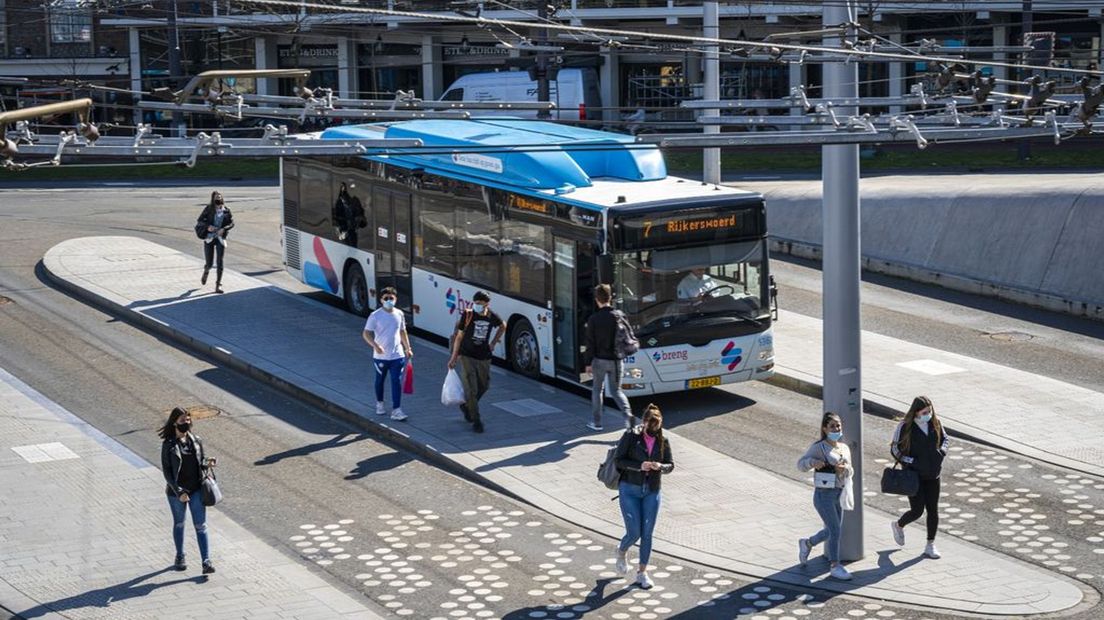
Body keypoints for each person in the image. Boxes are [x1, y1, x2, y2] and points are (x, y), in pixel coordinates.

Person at [613, 404, 673, 590]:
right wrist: (640, 466)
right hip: (629, 489)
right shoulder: (631, 436)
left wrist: (660, 467)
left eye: (657, 427)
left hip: (652, 490)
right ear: (644, 422)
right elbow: (618, 460)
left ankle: (642, 573)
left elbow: (670, 464)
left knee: (647, 533)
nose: (654, 431)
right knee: (634, 532)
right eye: (651, 427)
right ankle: (622, 551)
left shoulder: (663, 440)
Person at [796, 412, 855, 581]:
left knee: (831, 530)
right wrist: (812, 463)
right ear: (824, 428)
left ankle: (807, 543)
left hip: (839, 493)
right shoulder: (819, 447)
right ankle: (835, 566)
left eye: (838, 426)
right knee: (835, 531)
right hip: (823, 495)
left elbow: (851, 471)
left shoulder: (844, 448)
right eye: (832, 426)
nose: (836, 429)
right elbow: (800, 465)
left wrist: (845, 469)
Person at [890, 396, 949, 559]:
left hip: (933, 474)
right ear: (916, 412)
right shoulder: (904, 426)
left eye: (929, 411)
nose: (928, 414)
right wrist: (911, 461)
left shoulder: (935, 422)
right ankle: (898, 525)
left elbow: (945, 440)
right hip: (914, 476)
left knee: (933, 510)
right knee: (917, 511)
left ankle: (930, 545)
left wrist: (941, 453)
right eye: (924, 412)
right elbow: (895, 449)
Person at [159, 406, 216, 575]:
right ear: (175, 422)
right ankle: (180, 555)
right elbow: (167, 472)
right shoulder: (168, 445)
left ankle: (206, 561)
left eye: (188, 420)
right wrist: (179, 492)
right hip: (177, 493)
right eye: (183, 420)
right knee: (179, 523)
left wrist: (208, 462)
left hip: (197, 489)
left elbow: (200, 462)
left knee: (201, 525)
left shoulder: (196, 441)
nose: (187, 422)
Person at [447, 291, 505, 433]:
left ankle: (467, 406)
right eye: (475, 303)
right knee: (471, 389)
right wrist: (454, 357)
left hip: (484, 356)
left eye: (480, 303)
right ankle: (476, 420)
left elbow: (503, 325)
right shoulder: (468, 315)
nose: (477, 306)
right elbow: (459, 337)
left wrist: (493, 342)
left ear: (486, 304)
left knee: (484, 386)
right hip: (467, 355)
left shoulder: (491, 316)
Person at [583, 283, 635, 432]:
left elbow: (590, 343)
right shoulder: (619, 315)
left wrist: (587, 363)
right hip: (617, 360)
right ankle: (628, 416)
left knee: (597, 390)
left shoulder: (594, 319)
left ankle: (597, 423)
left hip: (599, 360)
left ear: (596, 299)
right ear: (611, 297)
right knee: (616, 391)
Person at [362, 287, 413, 421]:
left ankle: (396, 409)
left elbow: (403, 331)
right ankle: (380, 403)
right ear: (381, 300)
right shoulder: (375, 316)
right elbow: (366, 333)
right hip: (381, 357)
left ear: (396, 299)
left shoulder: (399, 314)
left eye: (391, 298)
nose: (389, 300)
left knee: (396, 381)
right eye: (386, 298)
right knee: (380, 380)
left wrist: (408, 348)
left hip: (397, 355)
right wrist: (375, 346)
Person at [196, 191, 234, 294]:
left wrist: (224, 229)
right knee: (209, 262)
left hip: (220, 239)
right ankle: (206, 270)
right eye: (216, 197)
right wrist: (208, 227)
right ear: (213, 199)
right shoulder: (209, 209)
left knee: (220, 261)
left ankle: (218, 284)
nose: (218, 199)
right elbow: (200, 220)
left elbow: (231, 223)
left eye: (220, 197)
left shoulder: (226, 210)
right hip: (209, 238)